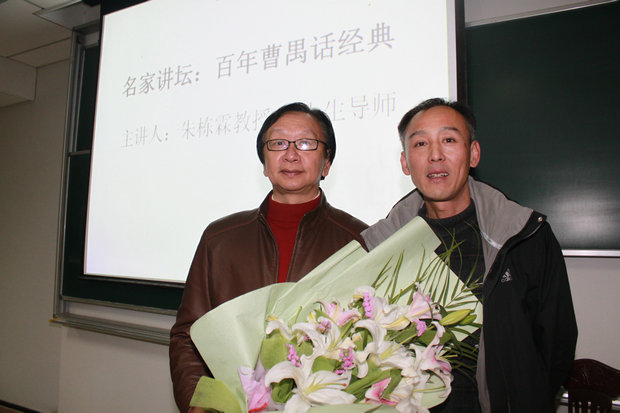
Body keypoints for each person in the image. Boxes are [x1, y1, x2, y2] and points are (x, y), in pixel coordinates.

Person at [362, 98, 577, 412]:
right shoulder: (383, 244)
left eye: (449, 140)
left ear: (474, 153)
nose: (435, 155)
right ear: (405, 163)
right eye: (420, 143)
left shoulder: (523, 236)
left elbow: (557, 343)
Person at [169, 102, 368, 413]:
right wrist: (199, 404)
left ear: (327, 162)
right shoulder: (220, 238)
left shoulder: (357, 241)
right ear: (264, 162)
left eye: (306, 143)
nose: (291, 154)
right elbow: (188, 334)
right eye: (278, 143)